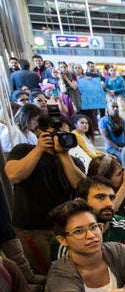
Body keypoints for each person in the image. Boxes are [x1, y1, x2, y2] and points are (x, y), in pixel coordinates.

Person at [5, 116, 85, 275]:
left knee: (73, 272)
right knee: (53, 273)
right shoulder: (23, 150)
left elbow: (82, 187)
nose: (60, 137)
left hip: (65, 228)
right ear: (40, 133)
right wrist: (39, 149)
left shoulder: (72, 161)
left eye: (64, 133)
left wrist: (64, 155)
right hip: (33, 229)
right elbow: (14, 175)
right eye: (55, 133)